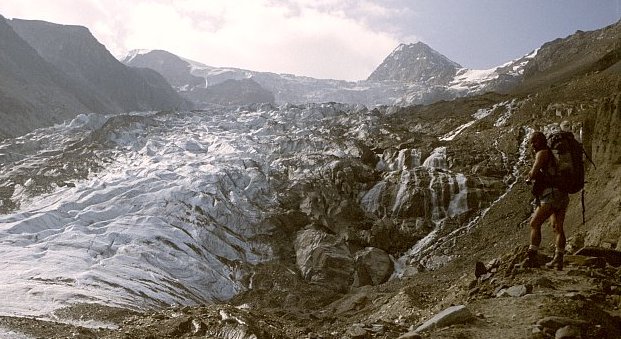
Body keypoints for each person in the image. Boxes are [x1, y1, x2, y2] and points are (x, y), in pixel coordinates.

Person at [524, 131, 569, 270]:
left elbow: (534, 171)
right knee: (558, 227)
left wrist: (529, 176)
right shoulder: (552, 154)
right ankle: (558, 259)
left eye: (534, 142)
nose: (532, 145)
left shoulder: (542, 153)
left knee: (534, 223)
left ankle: (532, 257)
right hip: (562, 194)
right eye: (531, 142)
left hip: (550, 195)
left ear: (541, 141)